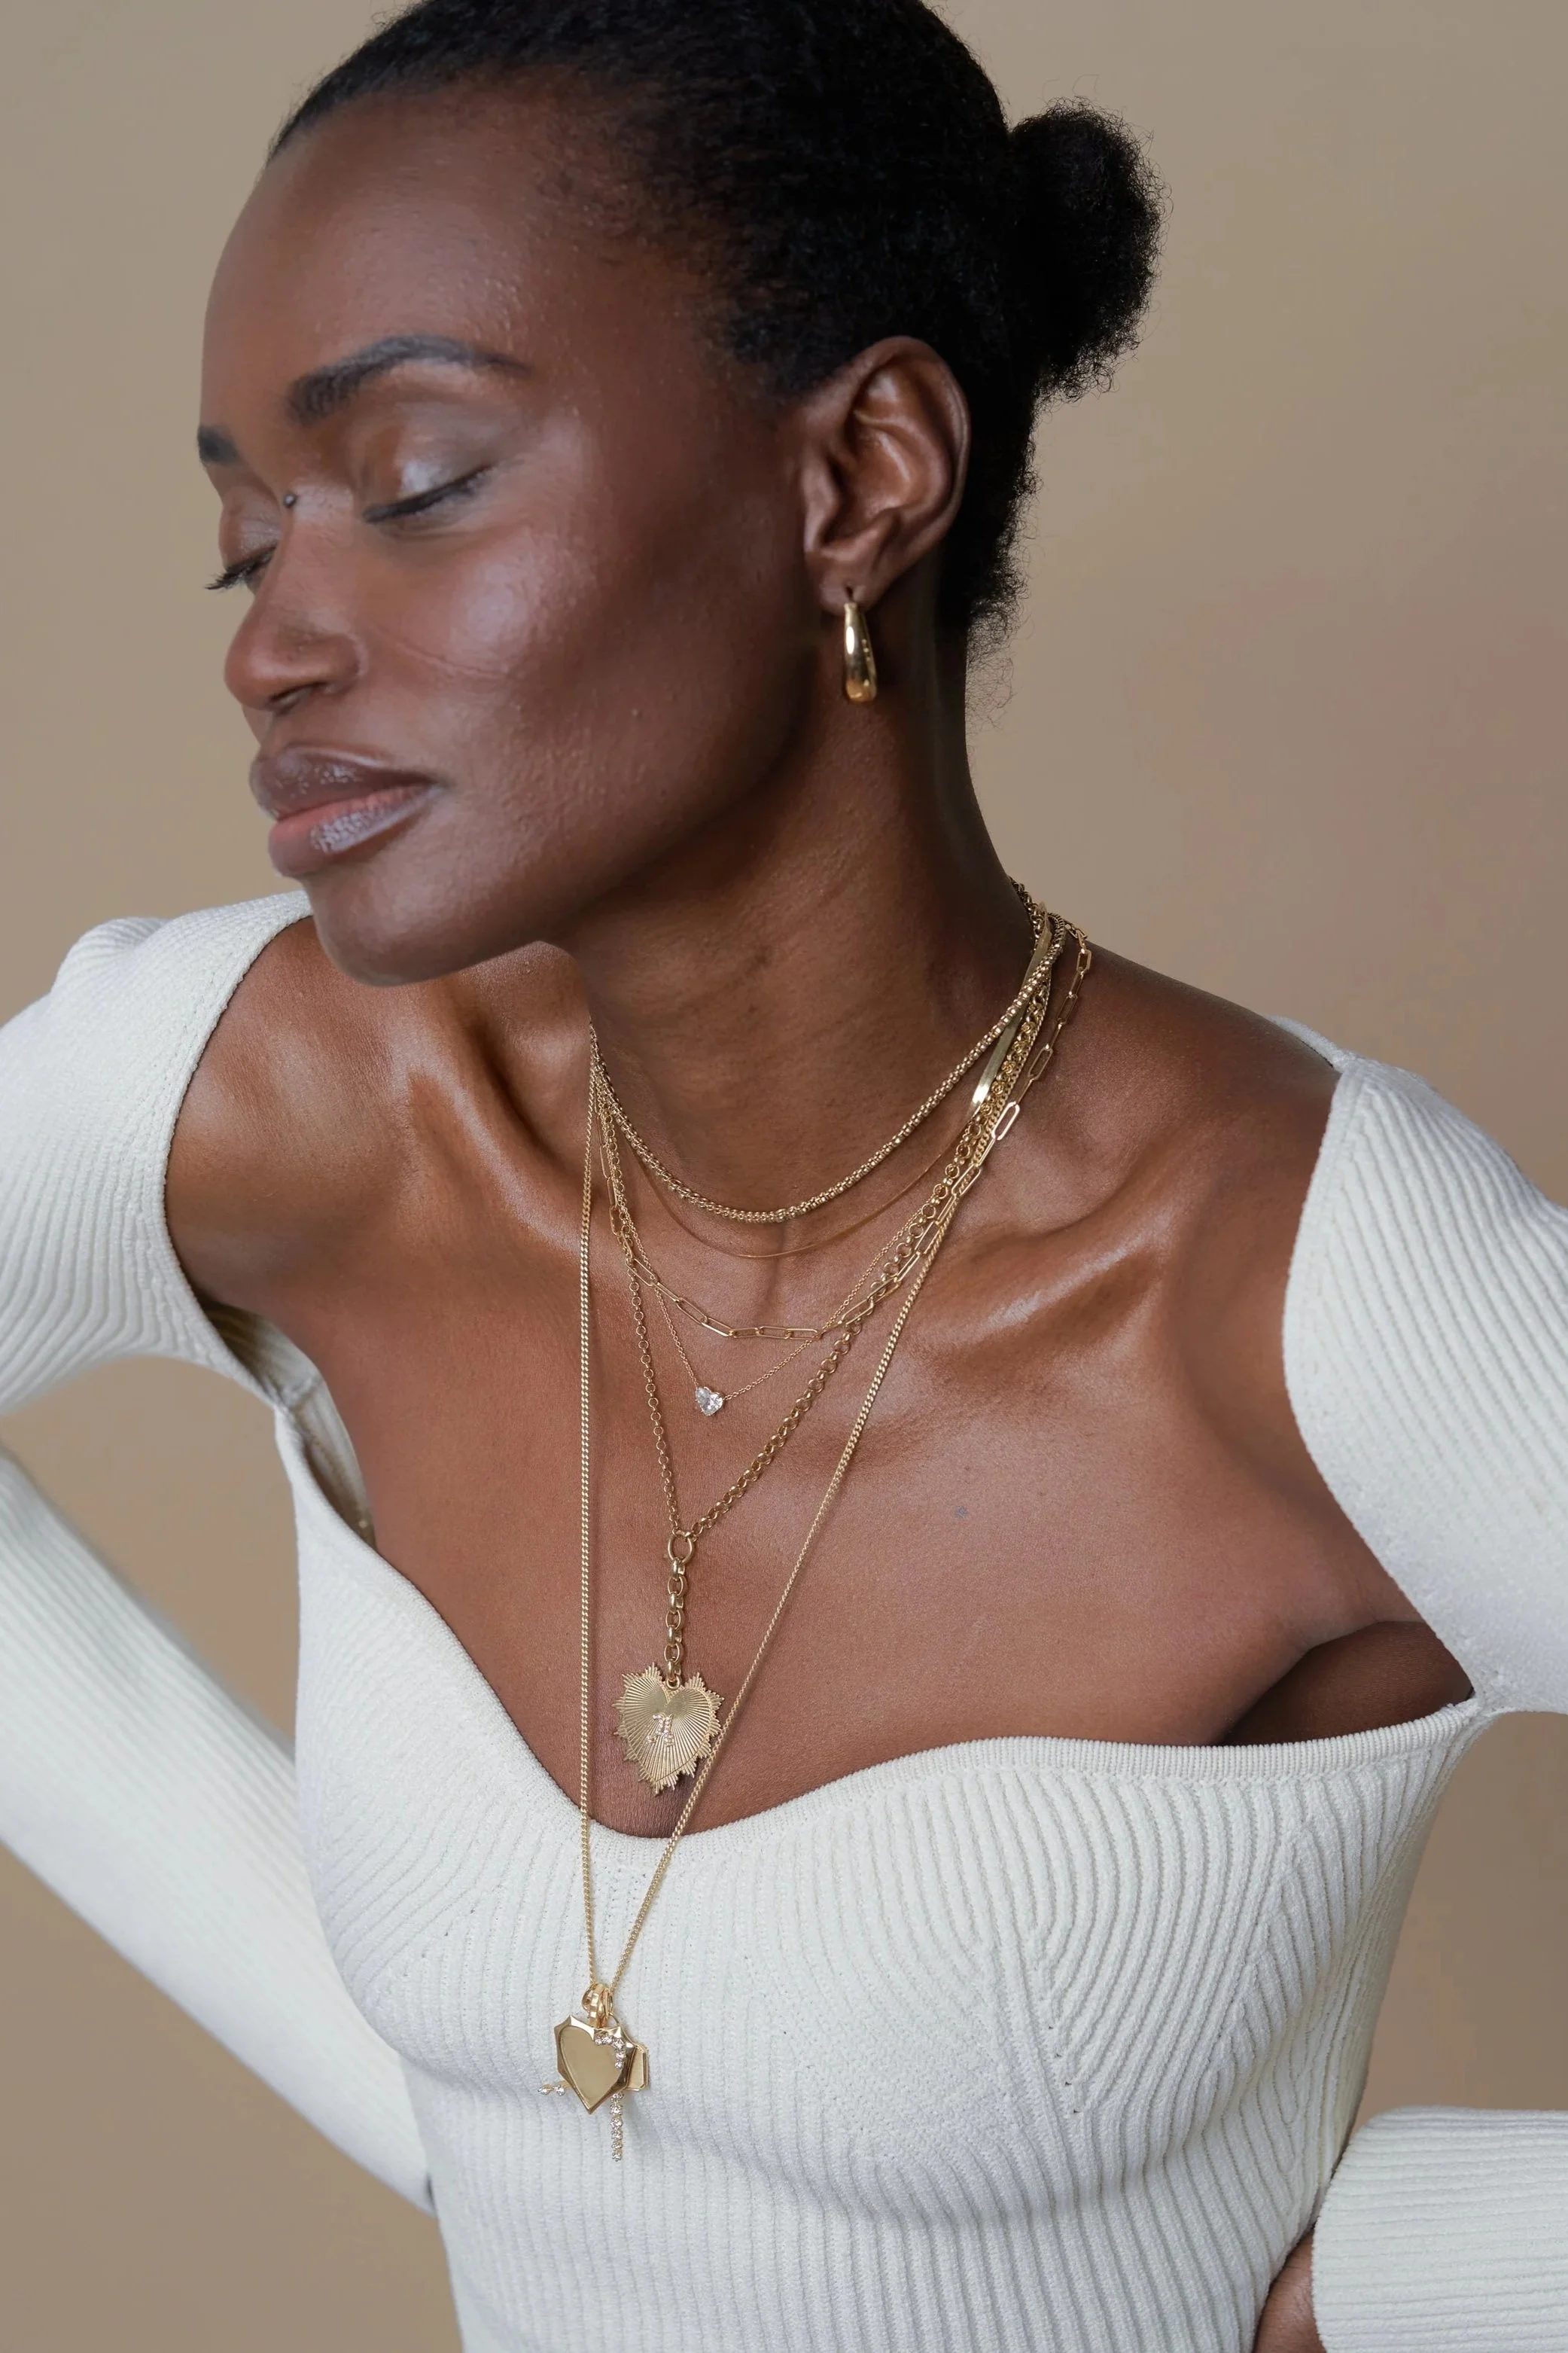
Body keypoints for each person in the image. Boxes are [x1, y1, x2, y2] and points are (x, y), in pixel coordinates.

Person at [2, 1, 1563, 2346]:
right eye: (250, 538)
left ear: (859, 479)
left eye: (413, 479)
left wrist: (1446, 2268)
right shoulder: (287, 1112)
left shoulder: (1305, 1294)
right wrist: (420, 2086)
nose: (278, 645)